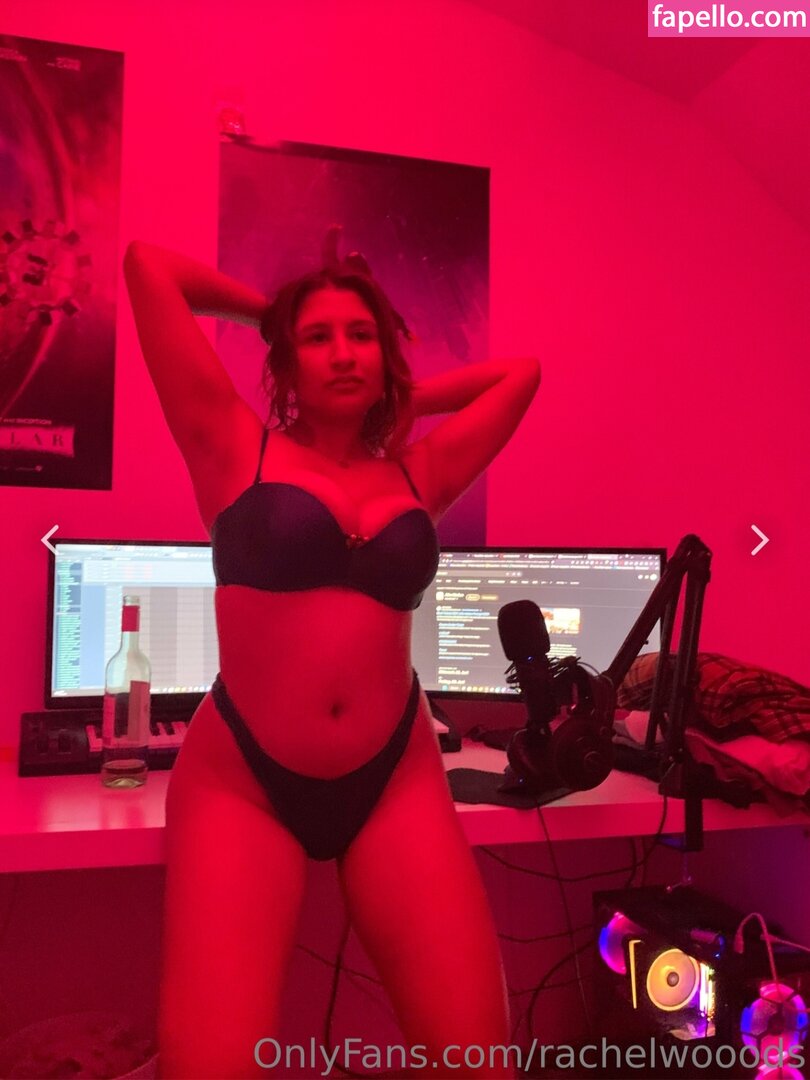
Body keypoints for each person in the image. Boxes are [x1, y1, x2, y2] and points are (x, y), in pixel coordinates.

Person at [122, 227, 541, 1079]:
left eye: (362, 336)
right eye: (317, 338)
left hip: (395, 777)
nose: (343, 353)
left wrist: (408, 396)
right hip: (244, 781)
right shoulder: (232, 444)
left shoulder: (420, 473)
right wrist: (269, 312)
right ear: (287, 364)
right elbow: (147, 267)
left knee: (478, 1062)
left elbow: (521, 376)